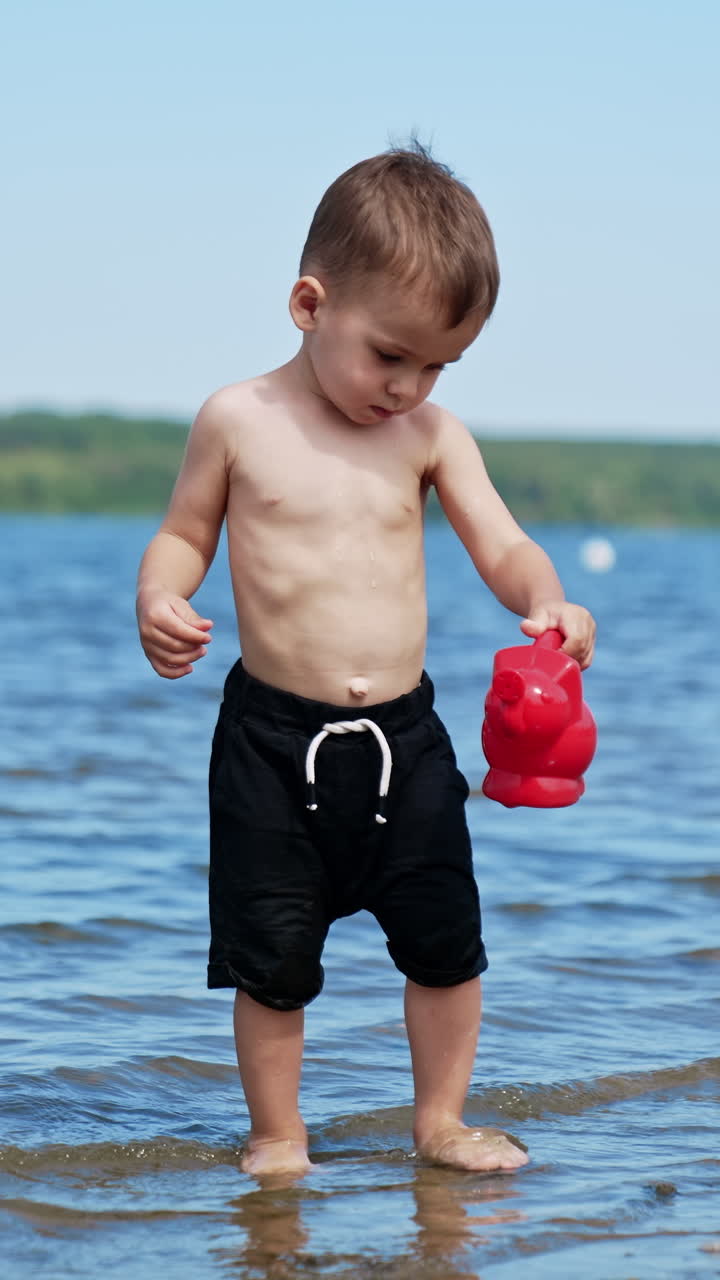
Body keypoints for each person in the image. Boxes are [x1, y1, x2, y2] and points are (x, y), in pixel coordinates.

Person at [136, 144, 596, 1179]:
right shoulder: (238, 419)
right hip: (272, 742)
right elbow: (184, 534)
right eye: (391, 355)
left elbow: (504, 544)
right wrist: (159, 594)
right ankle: (278, 1134)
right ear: (311, 304)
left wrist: (545, 598)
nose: (408, 385)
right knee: (269, 956)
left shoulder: (430, 436)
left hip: (404, 739)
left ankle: (440, 1122)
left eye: (437, 366)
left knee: (446, 941)